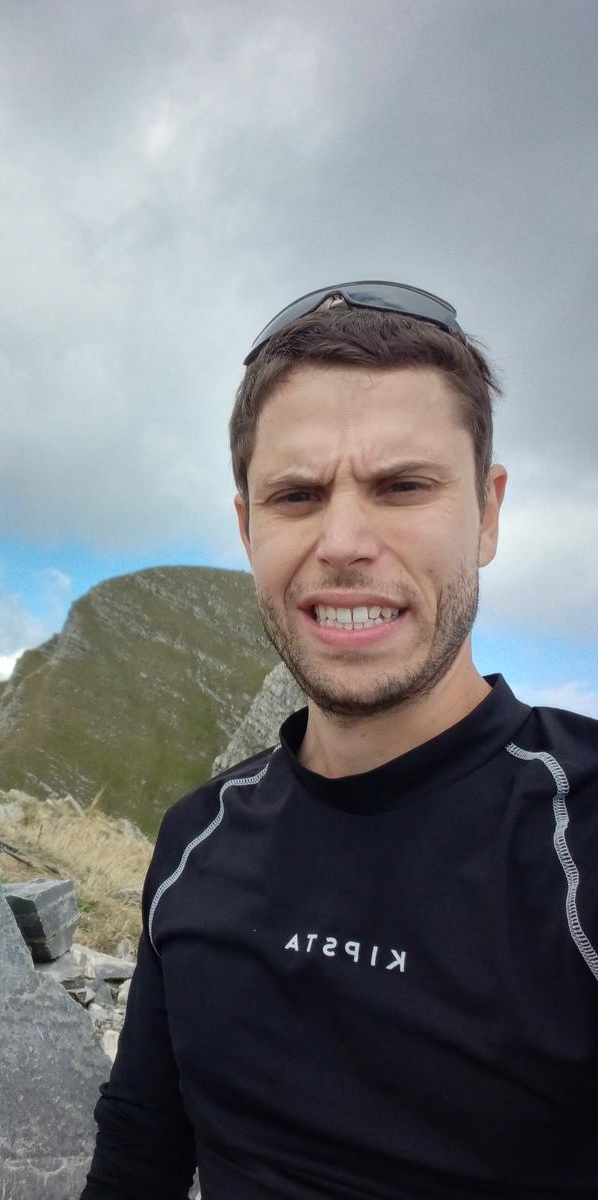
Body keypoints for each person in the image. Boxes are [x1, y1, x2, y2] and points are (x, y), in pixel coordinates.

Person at [81, 282, 598, 1198]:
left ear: (487, 514)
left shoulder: (579, 835)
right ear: (247, 528)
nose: (345, 541)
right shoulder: (198, 837)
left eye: (403, 486)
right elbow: (137, 1154)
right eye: (297, 494)